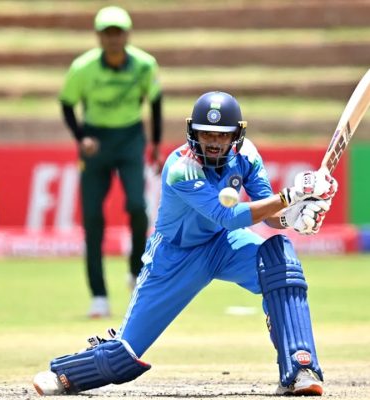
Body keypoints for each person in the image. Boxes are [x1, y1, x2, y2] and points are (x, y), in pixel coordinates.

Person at [33, 92, 337, 396]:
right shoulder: (181, 168)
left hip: (223, 244)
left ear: (236, 135)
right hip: (174, 257)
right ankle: (65, 373)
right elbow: (227, 216)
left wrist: (294, 217)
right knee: (123, 357)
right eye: (206, 134)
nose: (214, 142)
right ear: (193, 132)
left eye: (222, 135)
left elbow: (269, 215)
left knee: (280, 264)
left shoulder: (246, 156)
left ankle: (300, 368)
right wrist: (291, 196)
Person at [59, 6, 163, 317]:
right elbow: (67, 104)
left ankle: (134, 270)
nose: (113, 39)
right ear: (99, 36)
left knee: (137, 206)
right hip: (96, 142)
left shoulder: (144, 64)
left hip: (130, 138)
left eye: (118, 33)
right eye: (108, 33)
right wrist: (81, 137)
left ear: (127, 35)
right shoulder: (83, 68)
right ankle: (99, 296)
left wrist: (156, 144)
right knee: (92, 218)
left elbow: (155, 101)